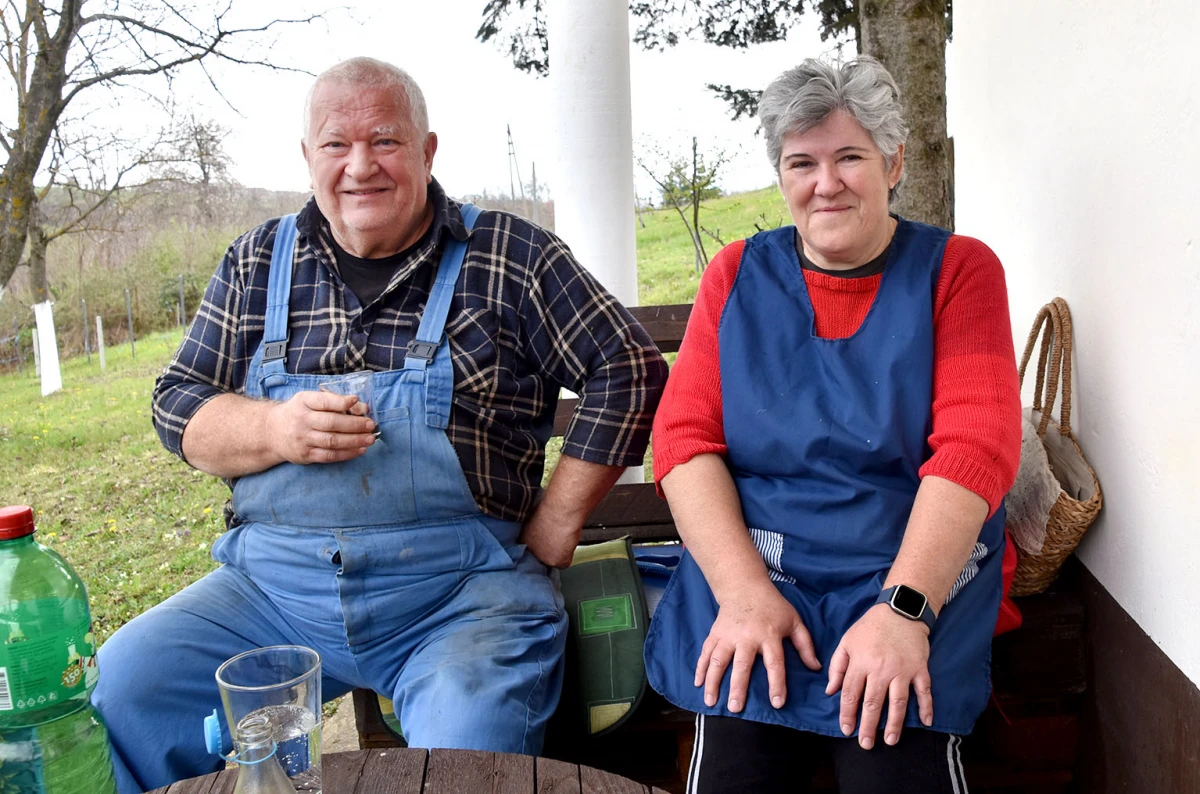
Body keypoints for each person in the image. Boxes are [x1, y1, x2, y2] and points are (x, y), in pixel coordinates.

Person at [93, 57, 667, 793]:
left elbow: (628, 367)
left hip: (460, 599)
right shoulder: (256, 261)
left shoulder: (509, 256)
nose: (360, 165)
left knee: (464, 767)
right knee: (125, 690)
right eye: (336, 145)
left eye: (386, 141)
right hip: (269, 594)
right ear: (308, 159)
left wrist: (558, 519)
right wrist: (272, 430)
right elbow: (176, 401)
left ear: (427, 152)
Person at [642, 56, 1022, 794]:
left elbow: (977, 449)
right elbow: (684, 441)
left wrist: (904, 613)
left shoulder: (959, 271)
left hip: (909, 571)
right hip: (764, 572)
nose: (826, 183)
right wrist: (744, 594)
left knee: (892, 767)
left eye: (850, 157)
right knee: (737, 766)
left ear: (894, 161)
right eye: (802, 162)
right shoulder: (736, 274)